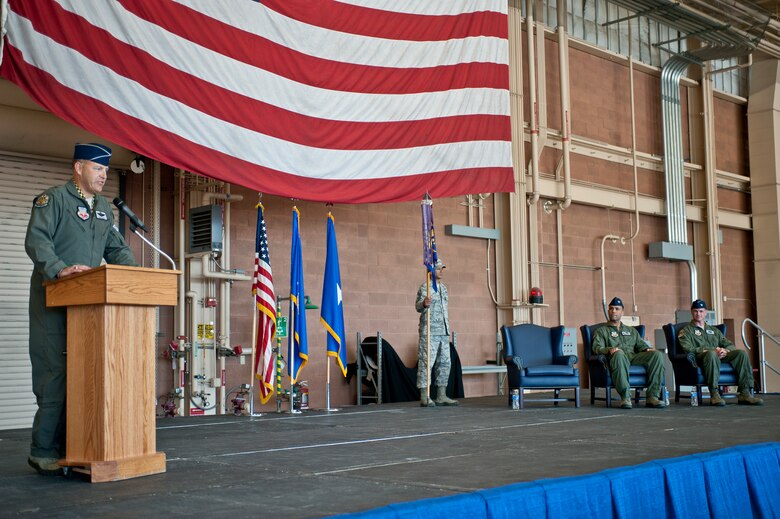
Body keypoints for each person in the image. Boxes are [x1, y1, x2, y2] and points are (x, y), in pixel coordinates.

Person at [24, 143, 137, 475]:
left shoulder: (105, 209)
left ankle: (74, 448)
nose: (103, 175)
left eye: (105, 170)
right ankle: (43, 450)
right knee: (54, 374)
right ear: (78, 168)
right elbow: (37, 240)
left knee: (84, 375)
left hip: (88, 307)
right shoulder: (54, 199)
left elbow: (117, 249)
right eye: (97, 168)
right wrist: (59, 268)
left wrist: (131, 276)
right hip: (53, 301)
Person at [677, 299, 763, 406]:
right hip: (701, 357)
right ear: (691, 312)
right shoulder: (686, 331)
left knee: (741, 353)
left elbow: (729, 344)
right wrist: (710, 350)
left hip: (718, 355)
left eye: (701, 311)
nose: (698, 314)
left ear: (706, 312)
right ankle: (714, 394)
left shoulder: (714, 330)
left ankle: (745, 393)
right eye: (695, 311)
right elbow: (687, 348)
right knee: (712, 354)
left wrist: (725, 351)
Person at [592, 297, 666, 409]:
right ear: (608, 311)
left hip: (633, 357)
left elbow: (640, 345)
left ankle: (652, 397)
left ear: (622, 311)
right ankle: (625, 397)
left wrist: (647, 349)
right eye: (611, 308)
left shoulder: (631, 330)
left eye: (617, 309)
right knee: (619, 354)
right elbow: (597, 348)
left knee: (657, 355)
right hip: (617, 358)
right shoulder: (602, 331)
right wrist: (609, 349)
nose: (613, 311)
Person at [415, 258, 458, 407]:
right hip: (430, 332)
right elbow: (417, 306)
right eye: (439, 268)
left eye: (442, 268)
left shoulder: (444, 288)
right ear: (431, 271)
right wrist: (423, 303)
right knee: (427, 363)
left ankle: (441, 395)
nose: (441, 271)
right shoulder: (425, 288)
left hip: (443, 332)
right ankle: (424, 395)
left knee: (445, 363)